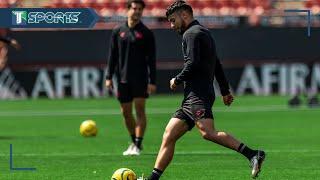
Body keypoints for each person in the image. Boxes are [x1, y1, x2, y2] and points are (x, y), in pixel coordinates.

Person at [140, 1, 265, 179]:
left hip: (197, 95)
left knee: (208, 132)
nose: (172, 25)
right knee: (169, 134)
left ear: (184, 15)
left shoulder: (191, 34)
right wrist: (224, 90)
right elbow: (216, 63)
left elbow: (193, 64)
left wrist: (177, 79)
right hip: (194, 96)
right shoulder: (203, 32)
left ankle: (253, 154)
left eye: (173, 20)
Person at [105, 0, 156, 156]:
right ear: (127, 10)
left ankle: (138, 144)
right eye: (134, 8)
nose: (137, 11)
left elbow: (152, 60)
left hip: (140, 79)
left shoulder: (147, 33)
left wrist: (152, 81)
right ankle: (134, 142)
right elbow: (112, 55)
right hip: (122, 79)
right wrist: (108, 76)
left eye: (140, 9)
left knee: (140, 110)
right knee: (126, 113)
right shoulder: (118, 31)